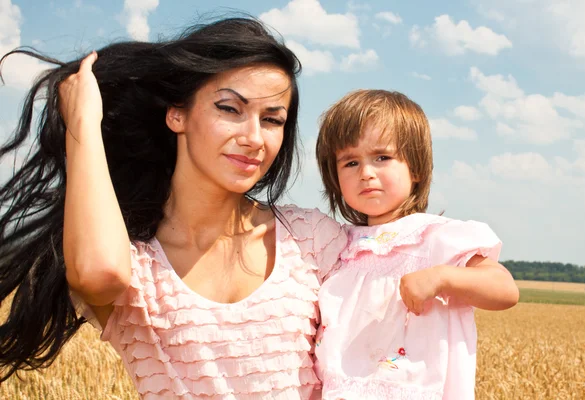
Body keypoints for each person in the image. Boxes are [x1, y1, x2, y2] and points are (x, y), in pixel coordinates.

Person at [0, 17, 348, 399]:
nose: (253, 138)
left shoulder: (312, 240)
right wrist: (82, 121)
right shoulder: (136, 265)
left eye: (272, 120)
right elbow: (98, 275)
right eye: (230, 109)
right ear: (176, 114)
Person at [314, 89, 520, 400]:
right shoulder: (338, 245)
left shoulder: (435, 237)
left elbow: (504, 289)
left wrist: (442, 277)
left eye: (382, 157)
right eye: (350, 162)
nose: (366, 173)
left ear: (417, 168)